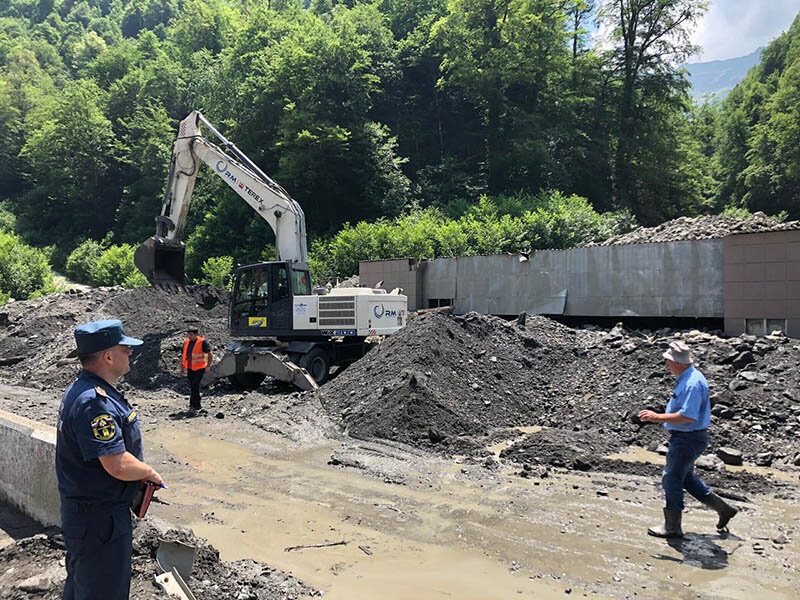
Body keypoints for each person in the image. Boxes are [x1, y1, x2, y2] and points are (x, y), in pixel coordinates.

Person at [56, 319, 165, 600]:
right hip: (99, 521)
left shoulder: (85, 390)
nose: (131, 354)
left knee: (84, 587)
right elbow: (115, 463)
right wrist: (149, 472)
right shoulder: (94, 402)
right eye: (125, 349)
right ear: (107, 356)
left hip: (89, 518)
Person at [638, 340, 738, 538]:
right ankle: (724, 509)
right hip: (688, 437)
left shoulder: (692, 383)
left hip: (688, 438)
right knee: (686, 478)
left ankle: (673, 527)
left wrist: (657, 417)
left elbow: (688, 416)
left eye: (668, 361)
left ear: (677, 363)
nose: (666, 365)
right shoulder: (688, 377)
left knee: (672, 479)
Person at [180, 326, 213, 412]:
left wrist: (208, 366)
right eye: (188, 334)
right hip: (190, 368)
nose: (189, 336)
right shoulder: (187, 342)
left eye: (191, 335)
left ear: (196, 334)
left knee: (195, 385)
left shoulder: (202, 342)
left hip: (200, 368)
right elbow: (184, 356)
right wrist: (182, 367)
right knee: (194, 386)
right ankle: (198, 404)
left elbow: (210, 354)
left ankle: (192, 406)